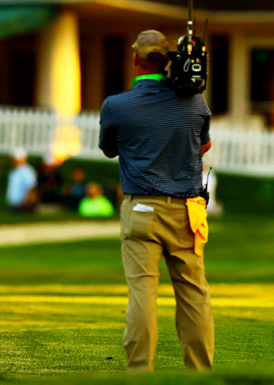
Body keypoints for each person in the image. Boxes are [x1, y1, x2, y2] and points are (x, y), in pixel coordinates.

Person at [99, 29, 214, 372]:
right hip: (187, 212)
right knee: (194, 294)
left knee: (142, 295)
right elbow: (203, 144)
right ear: (167, 60)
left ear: (135, 59)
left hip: (141, 209)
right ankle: (200, 372)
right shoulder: (195, 101)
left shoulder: (116, 106)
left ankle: (139, 373)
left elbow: (108, 150)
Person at [6, 148, 37, 212]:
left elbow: (31, 188)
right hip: (14, 204)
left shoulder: (27, 171)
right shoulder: (13, 171)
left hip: (22, 205)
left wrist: (27, 204)